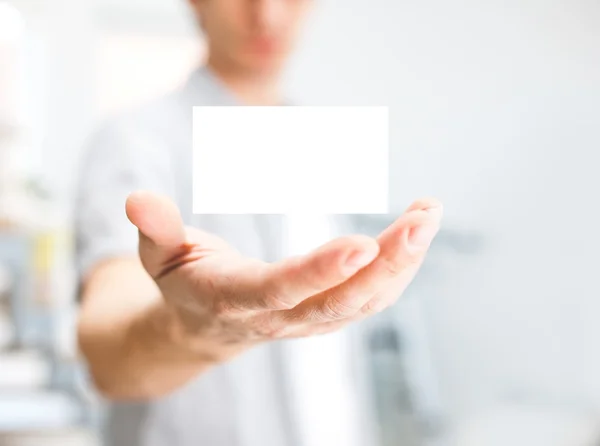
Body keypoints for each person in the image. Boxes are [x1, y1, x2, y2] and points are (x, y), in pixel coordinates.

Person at [75, 0, 443, 445]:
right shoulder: (136, 140)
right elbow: (106, 356)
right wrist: (194, 331)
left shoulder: (321, 142)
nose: (267, 15)